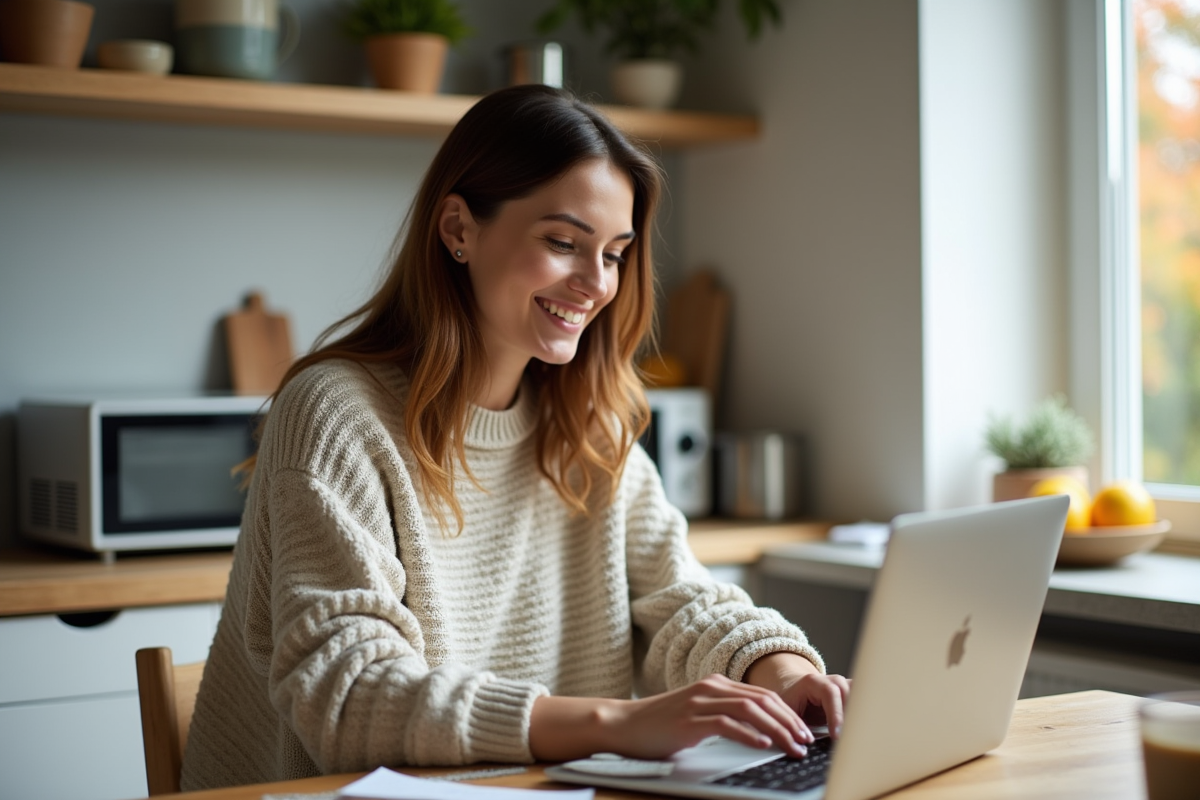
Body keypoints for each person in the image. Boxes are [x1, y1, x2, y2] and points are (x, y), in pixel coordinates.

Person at [181, 84, 850, 791]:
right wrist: (617, 724)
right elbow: (350, 698)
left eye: (615, 253)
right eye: (563, 242)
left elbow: (681, 600)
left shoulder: (589, 418)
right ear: (458, 230)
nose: (596, 284)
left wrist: (783, 673)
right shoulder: (337, 414)